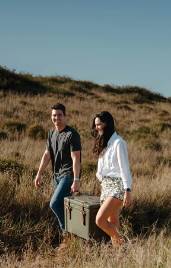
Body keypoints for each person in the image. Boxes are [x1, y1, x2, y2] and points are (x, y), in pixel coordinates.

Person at [33, 103, 81, 250]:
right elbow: (47, 154)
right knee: (65, 208)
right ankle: (74, 238)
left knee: (54, 204)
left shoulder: (72, 134)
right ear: (51, 117)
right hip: (57, 176)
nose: (57, 118)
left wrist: (76, 180)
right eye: (54, 115)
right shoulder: (51, 134)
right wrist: (39, 173)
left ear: (65, 116)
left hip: (68, 176)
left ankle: (68, 236)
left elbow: (75, 159)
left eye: (60, 115)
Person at [90, 111, 132, 249]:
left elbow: (124, 168)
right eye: (95, 125)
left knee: (100, 220)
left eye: (99, 125)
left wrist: (127, 190)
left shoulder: (119, 143)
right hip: (106, 186)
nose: (97, 128)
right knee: (113, 223)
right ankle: (119, 255)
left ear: (106, 124)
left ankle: (124, 247)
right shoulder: (103, 143)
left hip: (117, 186)